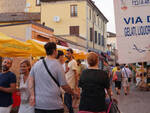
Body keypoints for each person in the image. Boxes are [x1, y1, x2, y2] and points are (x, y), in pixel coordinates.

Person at [28, 42, 78, 113]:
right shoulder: (58, 65)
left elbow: (30, 80)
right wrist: (73, 93)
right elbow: (64, 85)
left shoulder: (36, 64)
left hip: (39, 104)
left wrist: (32, 95)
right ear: (55, 51)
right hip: (54, 105)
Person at [65, 48, 78, 113]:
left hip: (70, 85)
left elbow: (76, 74)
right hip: (67, 84)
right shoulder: (69, 62)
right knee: (67, 101)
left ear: (71, 54)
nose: (66, 55)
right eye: (66, 53)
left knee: (68, 102)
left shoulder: (73, 62)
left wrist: (75, 85)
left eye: (68, 53)